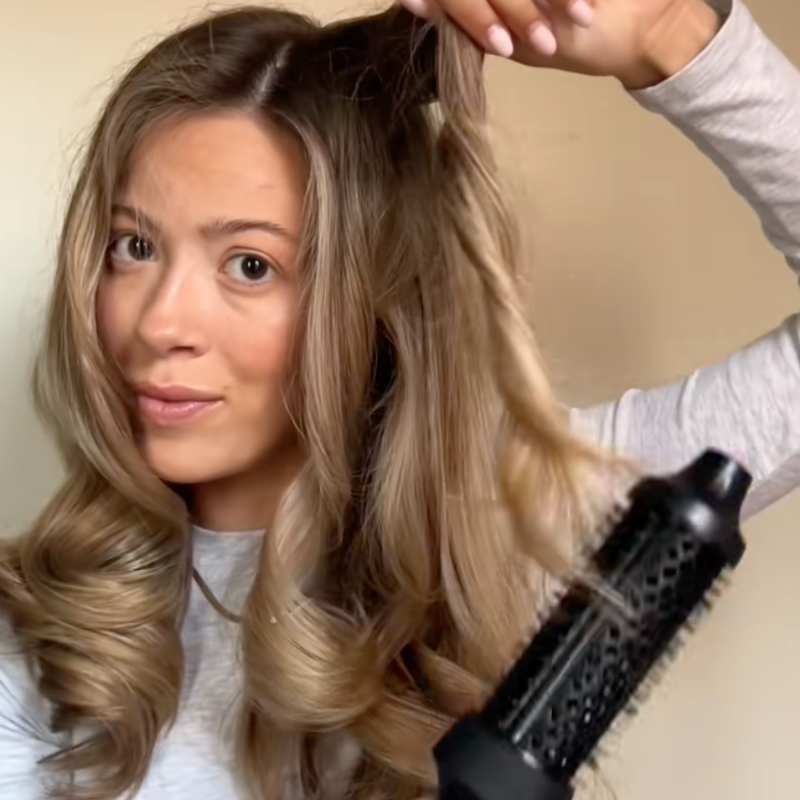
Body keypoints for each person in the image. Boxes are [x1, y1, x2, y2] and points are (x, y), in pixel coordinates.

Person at [1, 0, 798, 797]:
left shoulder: (501, 537)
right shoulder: (29, 630)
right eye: (134, 246)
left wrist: (672, 38)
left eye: (249, 265)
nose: (158, 324)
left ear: (373, 298)